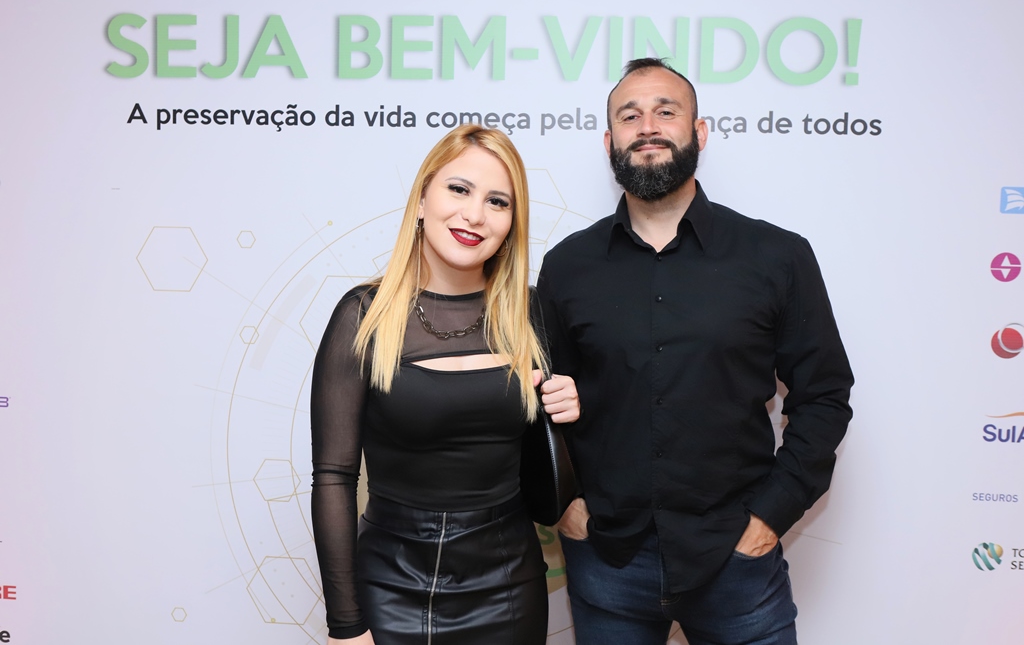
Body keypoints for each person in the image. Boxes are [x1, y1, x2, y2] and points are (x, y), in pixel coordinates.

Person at [536, 58, 855, 645]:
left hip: (737, 564)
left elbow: (825, 395)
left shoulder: (777, 256)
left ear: (699, 132)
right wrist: (565, 507)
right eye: (629, 115)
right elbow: (540, 401)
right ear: (609, 142)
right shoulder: (566, 267)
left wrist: (770, 517)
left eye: (666, 111)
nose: (647, 127)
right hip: (609, 561)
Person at [310, 125, 580, 645]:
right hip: (389, 585)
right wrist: (345, 624)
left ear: (511, 223)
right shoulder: (362, 316)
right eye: (459, 189)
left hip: (509, 588)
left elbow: (562, 440)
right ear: (421, 200)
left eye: (497, 201)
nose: (475, 214)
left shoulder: (530, 314)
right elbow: (333, 478)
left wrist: (569, 402)